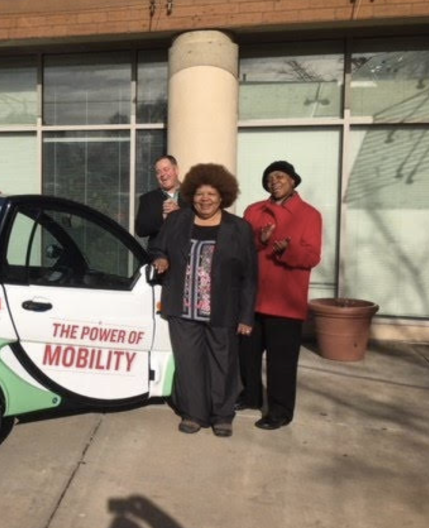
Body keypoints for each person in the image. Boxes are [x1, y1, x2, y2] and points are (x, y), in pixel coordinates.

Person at [149, 163, 257, 438]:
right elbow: (157, 247)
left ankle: (222, 415)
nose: (204, 199)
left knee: (223, 364)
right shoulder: (177, 220)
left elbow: (250, 276)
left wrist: (246, 316)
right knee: (189, 364)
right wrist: (161, 258)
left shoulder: (239, 228)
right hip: (182, 310)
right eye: (199, 194)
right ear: (191, 196)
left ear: (222, 197)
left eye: (211, 194)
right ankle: (193, 413)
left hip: (223, 311)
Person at [240, 160, 322, 430]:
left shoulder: (310, 215)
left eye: (280, 176)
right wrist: (260, 241)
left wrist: (287, 250)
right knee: (246, 355)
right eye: (270, 178)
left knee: (281, 363)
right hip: (253, 298)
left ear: (293, 181)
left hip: (286, 301)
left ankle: (280, 411)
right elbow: (240, 248)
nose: (274, 181)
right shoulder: (253, 210)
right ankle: (250, 396)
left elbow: (312, 257)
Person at [135, 154, 187, 246]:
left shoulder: (194, 195)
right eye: (158, 172)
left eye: (166, 169)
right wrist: (162, 218)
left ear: (176, 170)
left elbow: (203, 222)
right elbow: (140, 230)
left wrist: (179, 214)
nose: (162, 174)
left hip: (187, 252)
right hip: (159, 253)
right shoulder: (147, 199)